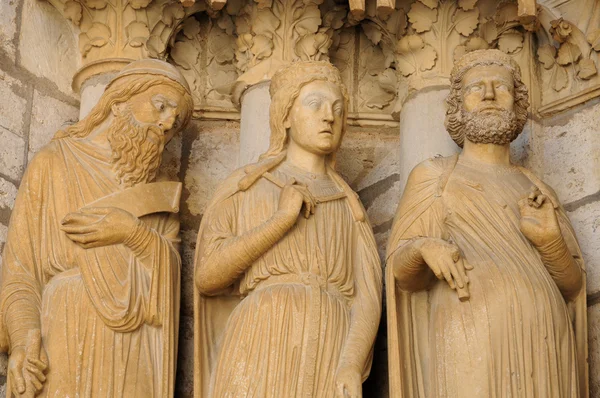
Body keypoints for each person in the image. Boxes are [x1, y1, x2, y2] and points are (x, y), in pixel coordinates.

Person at [386, 49, 588, 397]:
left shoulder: (538, 189)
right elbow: (401, 276)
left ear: (518, 104)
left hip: (544, 338)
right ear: (457, 107)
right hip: (468, 333)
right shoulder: (434, 177)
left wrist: (550, 242)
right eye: (475, 87)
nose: (490, 95)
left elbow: (572, 287)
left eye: (502, 87)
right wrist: (423, 247)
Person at [0, 59, 193, 397]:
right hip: (65, 332)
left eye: (175, 123)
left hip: (138, 346)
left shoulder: (157, 197)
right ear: (119, 101)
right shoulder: (54, 163)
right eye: (160, 106)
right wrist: (22, 339)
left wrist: (132, 234)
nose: (166, 124)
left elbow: (170, 288)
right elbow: (20, 274)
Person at [193, 61, 382, 398]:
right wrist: (279, 221)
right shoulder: (248, 185)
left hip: (332, 339)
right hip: (264, 331)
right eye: (315, 105)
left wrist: (351, 363)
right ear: (285, 116)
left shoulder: (348, 203)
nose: (329, 116)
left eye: (337, 108)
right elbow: (208, 276)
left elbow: (367, 296)